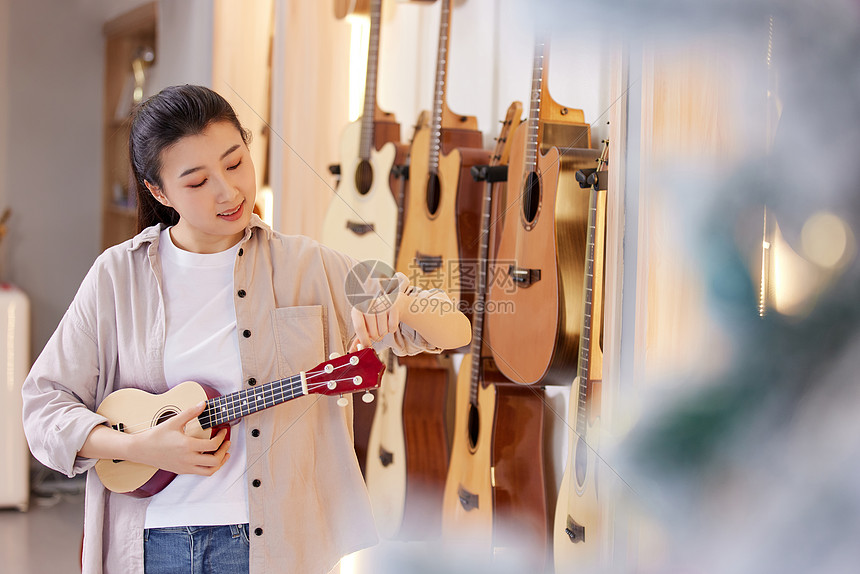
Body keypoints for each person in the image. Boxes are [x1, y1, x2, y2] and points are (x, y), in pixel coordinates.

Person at [21, 84, 471, 574]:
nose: (228, 191)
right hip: (150, 545)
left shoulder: (306, 265)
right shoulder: (117, 277)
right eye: (196, 182)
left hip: (276, 545)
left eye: (235, 163)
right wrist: (137, 447)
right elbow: (44, 408)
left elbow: (456, 329)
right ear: (158, 190)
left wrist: (396, 301)